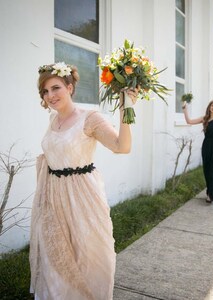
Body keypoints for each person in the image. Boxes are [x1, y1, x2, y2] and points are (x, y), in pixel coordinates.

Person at [29, 62, 138, 300]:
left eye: (55, 88)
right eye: (45, 92)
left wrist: (125, 109)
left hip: (82, 199)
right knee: (54, 258)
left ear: (70, 87)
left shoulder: (90, 119)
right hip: (53, 198)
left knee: (90, 258)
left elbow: (122, 147)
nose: (50, 96)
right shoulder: (53, 120)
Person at [182, 99, 213, 203]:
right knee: (208, 171)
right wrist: (184, 109)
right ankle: (210, 192)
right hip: (207, 146)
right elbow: (189, 121)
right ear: (209, 107)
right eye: (212, 106)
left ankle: (212, 193)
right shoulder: (204, 119)